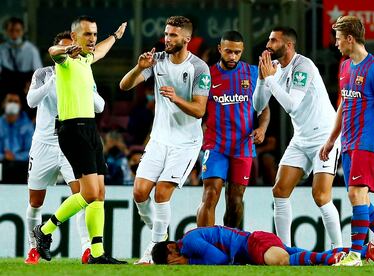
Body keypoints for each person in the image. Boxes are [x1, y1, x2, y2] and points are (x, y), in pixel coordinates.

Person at [33, 16, 127, 265]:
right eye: (88, 34)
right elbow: (53, 52)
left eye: (95, 34)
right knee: (88, 193)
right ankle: (45, 230)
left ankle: (97, 253)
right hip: (72, 130)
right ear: (74, 37)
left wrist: (115, 37)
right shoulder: (64, 61)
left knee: (100, 194)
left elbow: (103, 51)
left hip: (90, 130)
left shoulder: (86, 59)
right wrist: (65, 49)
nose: (93, 39)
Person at [119, 16, 210, 264]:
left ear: (186, 39)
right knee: (139, 193)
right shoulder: (156, 60)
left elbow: (200, 110)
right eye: (166, 34)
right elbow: (124, 86)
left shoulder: (199, 68)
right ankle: (160, 231)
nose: (167, 39)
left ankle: (153, 249)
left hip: (186, 143)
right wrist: (139, 68)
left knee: (161, 193)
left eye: (172, 35)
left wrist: (176, 98)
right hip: (159, 139)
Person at [320, 15, 374, 266]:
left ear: (350, 38)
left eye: (338, 39)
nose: (336, 44)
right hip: (347, 142)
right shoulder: (345, 67)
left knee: (357, 195)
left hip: (367, 142)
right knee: (360, 199)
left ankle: (356, 254)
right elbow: (343, 106)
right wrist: (330, 140)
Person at [252, 27, 342, 248]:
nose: (268, 44)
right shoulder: (274, 69)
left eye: (273, 40)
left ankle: (339, 250)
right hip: (301, 139)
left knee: (321, 196)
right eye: (269, 40)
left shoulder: (304, 65)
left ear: (288, 45)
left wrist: (271, 80)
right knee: (279, 191)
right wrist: (263, 79)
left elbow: (292, 104)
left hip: (324, 137)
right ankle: (285, 251)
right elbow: (258, 105)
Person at [24, 31, 105, 264]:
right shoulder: (43, 74)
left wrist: (86, 88)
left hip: (70, 142)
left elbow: (100, 106)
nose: (71, 52)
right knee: (35, 201)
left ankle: (87, 249)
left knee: (83, 195)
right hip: (43, 144)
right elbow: (31, 102)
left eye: (73, 48)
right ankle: (33, 248)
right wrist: (54, 80)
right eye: (65, 49)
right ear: (56, 51)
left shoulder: (83, 71)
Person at [196, 30, 270, 228]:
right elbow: (197, 109)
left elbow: (263, 109)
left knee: (235, 201)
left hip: (243, 147)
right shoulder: (207, 75)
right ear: (220, 49)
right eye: (228, 51)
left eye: (237, 52)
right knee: (210, 195)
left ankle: (229, 244)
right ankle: (204, 247)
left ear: (242, 50)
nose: (233, 56)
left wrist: (262, 128)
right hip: (215, 145)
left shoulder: (253, 73)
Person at [151, 225, 374, 266]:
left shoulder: (189, 243)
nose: (175, 264)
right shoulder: (190, 240)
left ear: (172, 248)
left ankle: (335, 259)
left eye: (171, 262)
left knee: (283, 262)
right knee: (309, 256)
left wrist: (189, 262)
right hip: (255, 245)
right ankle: (364, 250)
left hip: (254, 244)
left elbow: (220, 260)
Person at [0, 17, 42, 94]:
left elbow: (39, 73)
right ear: (6, 31)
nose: (14, 34)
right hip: (6, 87)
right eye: (11, 30)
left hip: (26, 87)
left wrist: (33, 86)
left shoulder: (32, 50)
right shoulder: (2, 49)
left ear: (22, 31)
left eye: (18, 31)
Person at [0, 92, 34, 162]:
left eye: (16, 101)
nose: (13, 104)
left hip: (22, 165)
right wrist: (4, 156)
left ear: (20, 105)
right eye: (10, 101)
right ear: (3, 104)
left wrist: (15, 157)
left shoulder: (28, 125)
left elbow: (32, 151)